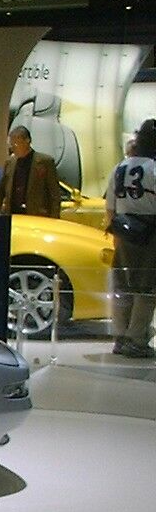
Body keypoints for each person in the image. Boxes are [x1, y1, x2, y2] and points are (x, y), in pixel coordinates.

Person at [105, 118, 156, 358]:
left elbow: (110, 206)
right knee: (146, 290)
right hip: (150, 234)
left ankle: (119, 336)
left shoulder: (120, 168)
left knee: (122, 287)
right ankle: (137, 338)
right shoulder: (153, 168)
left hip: (124, 231)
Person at [0, 125, 59, 218]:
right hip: (13, 213)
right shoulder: (9, 162)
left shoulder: (45, 162)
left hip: (37, 215)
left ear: (27, 141)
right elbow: (0, 190)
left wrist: (54, 217)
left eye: (16, 144)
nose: (13, 148)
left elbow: (54, 193)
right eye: (11, 144)